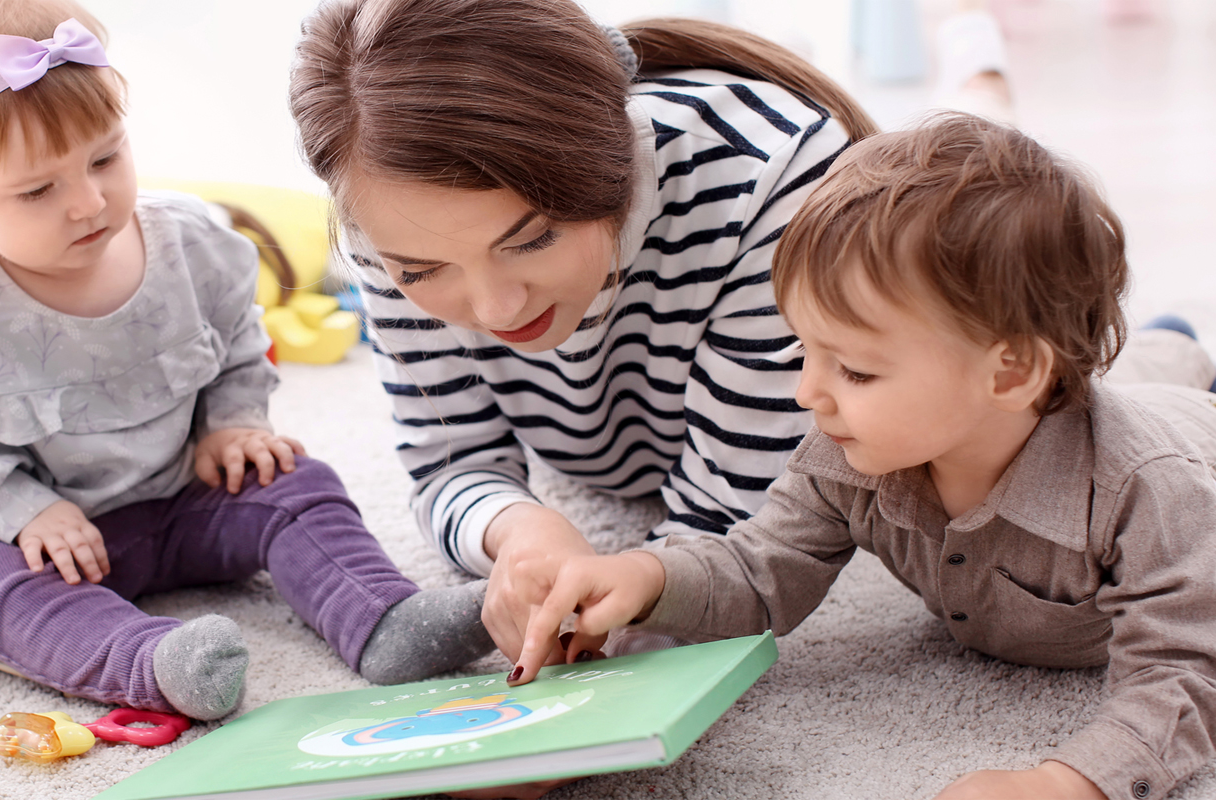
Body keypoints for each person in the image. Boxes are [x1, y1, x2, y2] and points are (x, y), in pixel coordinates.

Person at [504, 113, 1216, 800]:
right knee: (1140, 374)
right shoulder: (849, 452)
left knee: (1158, 408)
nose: (809, 392)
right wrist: (644, 578)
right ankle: (1171, 343)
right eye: (805, 349)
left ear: (1011, 370)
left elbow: (1191, 672)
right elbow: (760, 569)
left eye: (854, 369)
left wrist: (1068, 781)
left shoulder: (1154, 493)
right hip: (1079, 399)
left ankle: (1177, 356)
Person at [0, 0, 493, 722]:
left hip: (191, 491)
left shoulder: (191, 241)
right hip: (49, 540)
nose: (90, 201)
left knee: (297, 481)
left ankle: (384, 620)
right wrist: (20, 509)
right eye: (39, 190)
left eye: (106, 156)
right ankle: (156, 664)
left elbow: (237, 341)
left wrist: (232, 423)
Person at [288, 0, 879, 661]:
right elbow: (448, 460)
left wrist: (612, 624)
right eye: (423, 272)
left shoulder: (773, 179)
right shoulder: (387, 204)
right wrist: (519, 533)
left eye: (534, 238)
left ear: (613, 156)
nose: (496, 310)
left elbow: (741, 533)